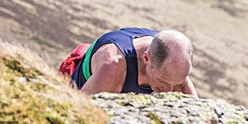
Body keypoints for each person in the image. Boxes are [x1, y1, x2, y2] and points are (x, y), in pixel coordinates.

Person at [59, 28, 198, 97]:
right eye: (162, 81)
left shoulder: (171, 64)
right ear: (146, 58)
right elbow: (80, 110)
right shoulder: (113, 67)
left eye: (175, 83)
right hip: (78, 90)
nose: (169, 91)